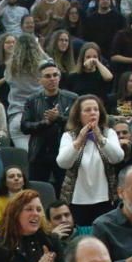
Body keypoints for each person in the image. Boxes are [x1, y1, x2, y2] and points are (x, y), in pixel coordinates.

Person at [56, 95, 123, 225]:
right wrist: (79, 141)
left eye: (95, 109)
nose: (92, 112)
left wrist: (100, 138)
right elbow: (63, 163)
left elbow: (117, 157)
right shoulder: (68, 136)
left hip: (105, 199)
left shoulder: (109, 133)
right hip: (77, 199)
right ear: (78, 115)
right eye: (87, 110)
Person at [22, 62, 79, 190]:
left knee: (65, 192)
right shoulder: (32, 100)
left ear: (59, 77)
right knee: (36, 191)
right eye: (47, 76)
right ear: (40, 80)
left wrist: (58, 118)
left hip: (64, 152)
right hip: (39, 153)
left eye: (55, 75)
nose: (52, 78)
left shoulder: (72, 98)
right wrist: (45, 122)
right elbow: (24, 126)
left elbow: (77, 124)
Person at [3, 34, 46, 151]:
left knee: (27, 161)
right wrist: (39, 48)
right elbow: (54, 67)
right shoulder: (42, 66)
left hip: (17, 116)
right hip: (38, 115)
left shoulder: (10, 67)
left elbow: (7, 80)